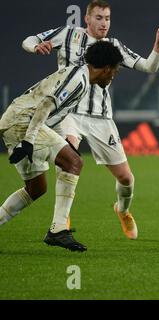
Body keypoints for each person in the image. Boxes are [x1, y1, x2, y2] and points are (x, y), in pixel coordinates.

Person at [22, 0, 159, 239]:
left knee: (126, 178)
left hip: (101, 118)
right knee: (69, 157)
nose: (104, 23)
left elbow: (148, 67)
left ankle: (122, 210)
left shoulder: (113, 46)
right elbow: (29, 39)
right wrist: (35, 47)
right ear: (87, 18)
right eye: (99, 18)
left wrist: (158, 45)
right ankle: (60, 222)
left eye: (107, 18)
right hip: (69, 112)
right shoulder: (68, 34)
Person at [0, 41, 123, 252]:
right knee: (74, 162)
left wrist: (60, 140)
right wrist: (29, 140)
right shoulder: (79, 79)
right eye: (115, 71)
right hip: (24, 121)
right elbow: (46, 105)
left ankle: (55, 229)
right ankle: (58, 230)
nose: (114, 76)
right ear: (106, 68)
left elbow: (55, 115)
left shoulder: (79, 76)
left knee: (36, 189)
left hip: (14, 120)